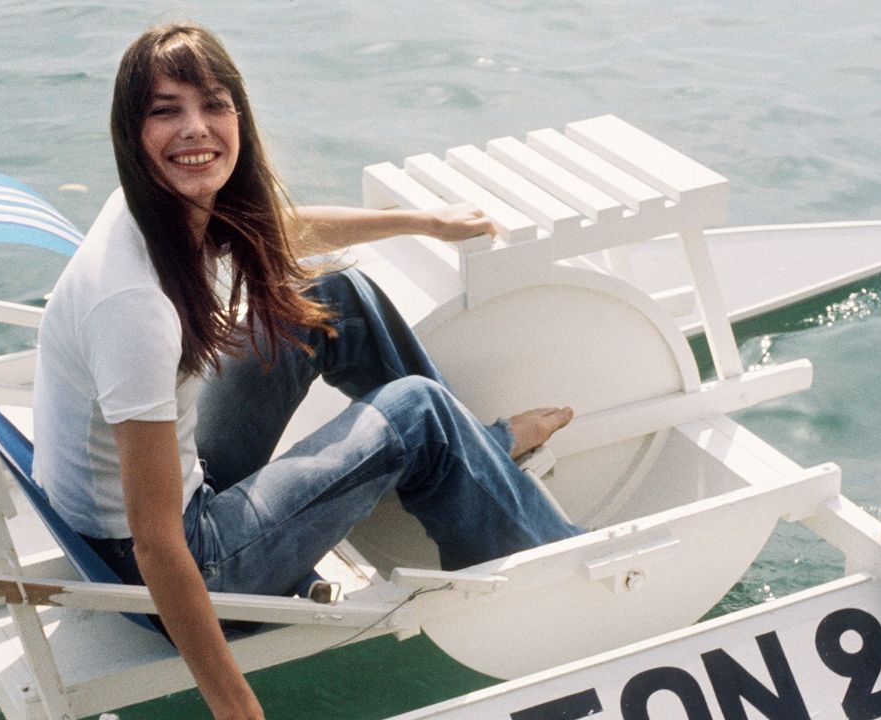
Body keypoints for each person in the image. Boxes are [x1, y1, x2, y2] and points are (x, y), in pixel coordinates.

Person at [32, 22, 580, 719]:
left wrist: (422, 221)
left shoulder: (157, 202)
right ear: (130, 131)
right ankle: (550, 570)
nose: (194, 129)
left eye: (214, 104)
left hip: (176, 484)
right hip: (179, 563)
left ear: (240, 116)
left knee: (337, 298)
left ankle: (477, 453)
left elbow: (278, 228)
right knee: (416, 411)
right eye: (166, 110)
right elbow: (156, 541)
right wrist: (236, 705)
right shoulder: (134, 307)